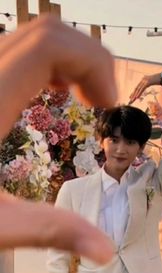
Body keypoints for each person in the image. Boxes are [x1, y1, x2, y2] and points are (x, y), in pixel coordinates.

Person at [47, 72, 162, 273]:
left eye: (130, 142)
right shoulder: (73, 191)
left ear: (141, 147)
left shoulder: (153, 183)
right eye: (114, 140)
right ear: (101, 141)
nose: (121, 149)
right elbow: (58, 254)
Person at [0, 14, 118, 265]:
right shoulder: (74, 187)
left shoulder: (147, 179)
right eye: (114, 140)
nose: (120, 148)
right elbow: (57, 259)